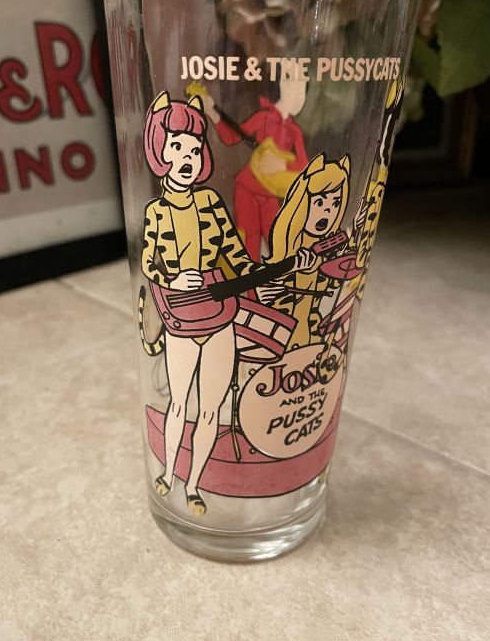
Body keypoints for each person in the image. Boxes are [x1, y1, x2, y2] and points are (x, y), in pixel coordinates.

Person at [140, 91, 310, 515]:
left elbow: (235, 256)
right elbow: (148, 259)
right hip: (180, 317)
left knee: (211, 409)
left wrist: (266, 276)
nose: (187, 157)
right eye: (177, 147)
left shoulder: (212, 204)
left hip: (219, 316)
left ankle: (194, 485)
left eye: (194, 149)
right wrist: (172, 278)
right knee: (180, 402)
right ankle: (168, 475)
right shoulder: (157, 212)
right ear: (159, 151)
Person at [202, 75, 310, 260]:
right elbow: (231, 137)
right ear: (283, 88)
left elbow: (304, 165)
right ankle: (249, 279)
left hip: (270, 192)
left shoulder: (294, 131)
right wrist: (211, 112)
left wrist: (283, 164)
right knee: (248, 241)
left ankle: (277, 278)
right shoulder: (263, 117)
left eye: (302, 89)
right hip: (248, 187)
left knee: (276, 239)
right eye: (295, 87)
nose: (299, 95)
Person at [266, 153, 354, 351]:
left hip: (310, 329)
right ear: (302, 202)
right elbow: (270, 290)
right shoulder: (290, 247)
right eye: (320, 202)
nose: (328, 211)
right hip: (281, 330)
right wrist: (297, 269)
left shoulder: (326, 247)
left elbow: (336, 284)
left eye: (335, 203)